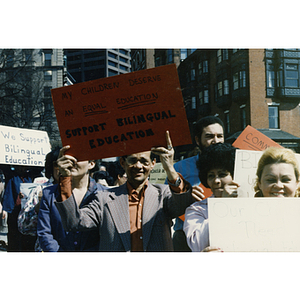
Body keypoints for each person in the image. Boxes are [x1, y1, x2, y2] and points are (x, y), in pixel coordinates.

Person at [55, 131, 196, 251]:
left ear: (153, 164)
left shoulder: (163, 194)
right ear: (123, 163)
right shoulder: (103, 198)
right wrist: (65, 177)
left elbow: (182, 205)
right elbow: (73, 222)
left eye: (144, 161)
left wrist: (170, 168)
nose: (138, 166)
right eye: (133, 160)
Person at [170, 115, 225, 251]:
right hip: (187, 236)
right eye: (209, 136)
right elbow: (169, 203)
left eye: (220, 136)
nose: (216, 141)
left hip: (225, 231)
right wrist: (186, 196)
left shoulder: (234, 164)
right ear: (197, 140)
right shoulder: (179, 168)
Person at [37, 150, 108, 252]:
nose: (72, 162)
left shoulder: (105, 194)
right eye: (68, 158)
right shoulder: (49, 194)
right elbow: (44, 233)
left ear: (91, 164)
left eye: (78, 158)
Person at [183, 143, 239, 252]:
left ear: (234, 174)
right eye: (211, 176)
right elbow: (197, 244)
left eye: (222, 174)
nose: (216, 181)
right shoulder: (196, 209)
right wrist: (223, 205)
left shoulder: (252, 202)